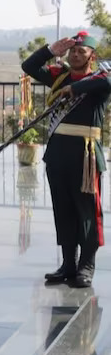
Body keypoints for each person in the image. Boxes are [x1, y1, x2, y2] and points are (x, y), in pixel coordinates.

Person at [22, 31, 110, 289]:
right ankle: (68, 264)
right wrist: (51, 49)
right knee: (63, 208)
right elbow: (28, 67)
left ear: (92, 56)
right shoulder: (59, 76)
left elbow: (106, 83)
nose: (75, 55)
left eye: (81, 51)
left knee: (87, 212)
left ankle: (87, 264)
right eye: (72, 51)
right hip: (58, 152)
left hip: (85, 154)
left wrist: (74, 88)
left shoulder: (99, 78)